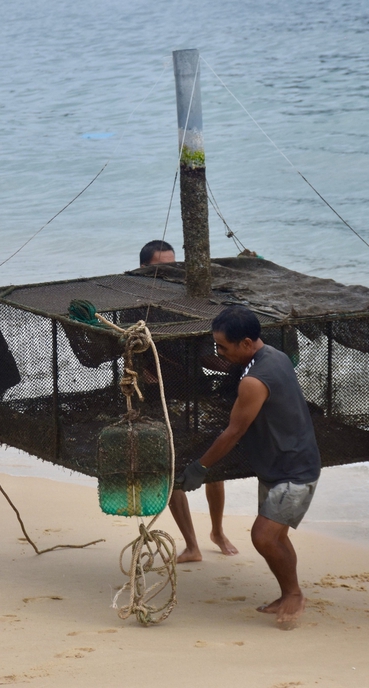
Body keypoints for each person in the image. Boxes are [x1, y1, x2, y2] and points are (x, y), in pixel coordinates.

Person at [178, 306, 321, 626]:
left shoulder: (255, 380)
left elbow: (233, 432)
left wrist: (199, 468)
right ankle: (288, 592)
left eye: (223, 347)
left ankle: (295, 594)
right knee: (277, 537)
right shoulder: (273, 354)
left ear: (245, 343)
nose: (218, 353)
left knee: (264, 536)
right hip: (277, 463)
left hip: (294, 470)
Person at [138, 240, 238, 561]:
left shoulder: (191, 301)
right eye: (160, 268)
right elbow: (122, 347)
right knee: (172, 469)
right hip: (157, 396)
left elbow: (205, 354)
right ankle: (192, 544)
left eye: (173, 266)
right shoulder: (135, 306)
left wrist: (232, 362)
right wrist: (139, 371)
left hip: (196, 389)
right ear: (144, 270)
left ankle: (217, 531)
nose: (168, 273)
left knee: (212, 462)